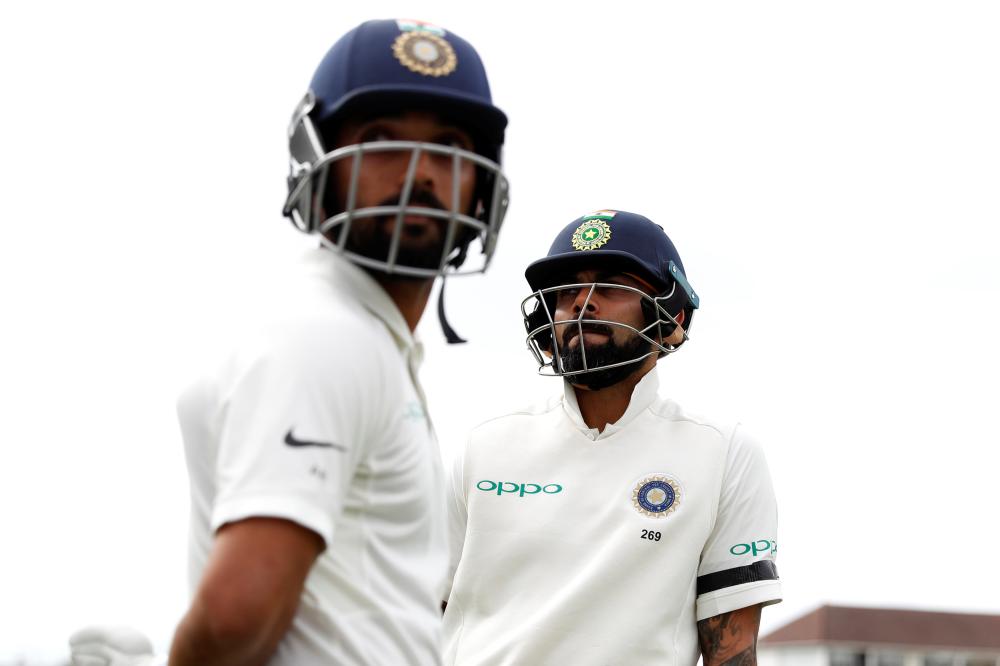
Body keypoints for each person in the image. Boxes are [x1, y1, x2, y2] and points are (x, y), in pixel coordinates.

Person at [164, 18, 508, 666]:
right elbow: (238, 615)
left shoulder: (365, 339)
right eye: (379, 140)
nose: (419, 173)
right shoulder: (324, 336)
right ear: (316, 165)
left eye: (449, 146)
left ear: (480, 187)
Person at [441, 210, 780, 665]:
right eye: (567, 290)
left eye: (612, 285)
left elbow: (734, 653)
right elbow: (420, 616)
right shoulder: (484, 448)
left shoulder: (723, 453)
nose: (583, 302)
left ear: (672, 316)